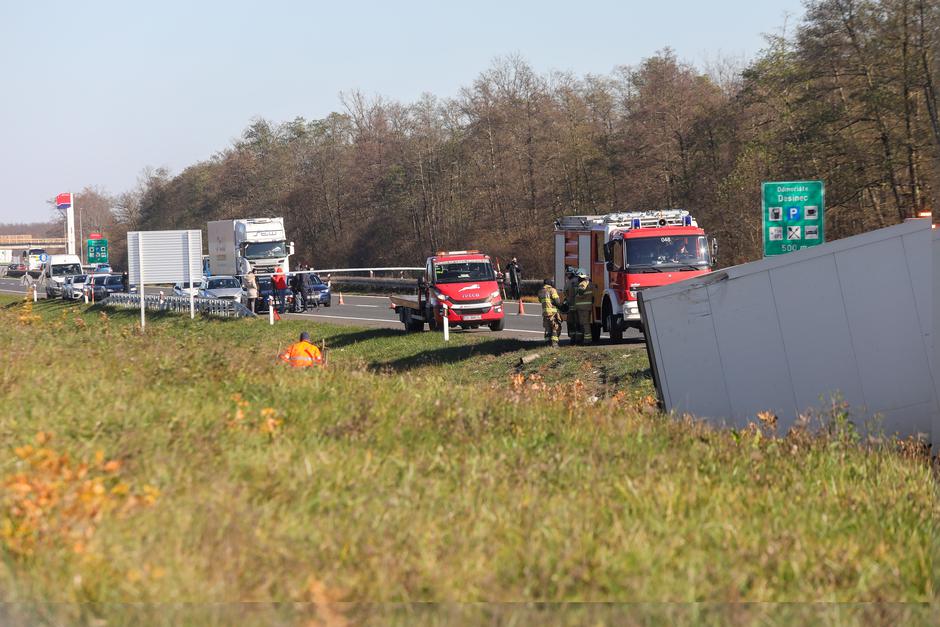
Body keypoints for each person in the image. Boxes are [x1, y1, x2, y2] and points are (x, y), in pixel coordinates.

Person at [570, 269, 594, 345]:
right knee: (585, 323)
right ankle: (587, 339)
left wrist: (576, 288)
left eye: (578, 277)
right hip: (586, 307)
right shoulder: (589, 283)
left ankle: (587, 340)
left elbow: (580, 292)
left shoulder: (582, 283)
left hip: (583, 307)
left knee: (585, 323)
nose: (577, 279)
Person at [538, 278, 563, 348]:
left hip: (545, 313)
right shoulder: (552, 290)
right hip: (553, 312)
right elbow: (557, 301)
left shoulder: (540, 291)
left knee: (547, 328)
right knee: (556, 327)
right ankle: (554, 344)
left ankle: (547, 344)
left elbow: (540, 300)